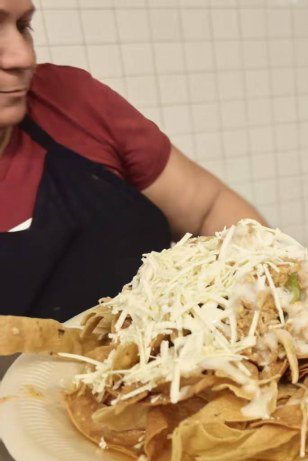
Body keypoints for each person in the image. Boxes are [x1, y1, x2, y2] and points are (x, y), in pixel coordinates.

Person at [0, 0, 267, 321]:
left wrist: (273, 303)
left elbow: (209, 210)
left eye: (23, 26)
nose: (23, 57)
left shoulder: (72, 101)